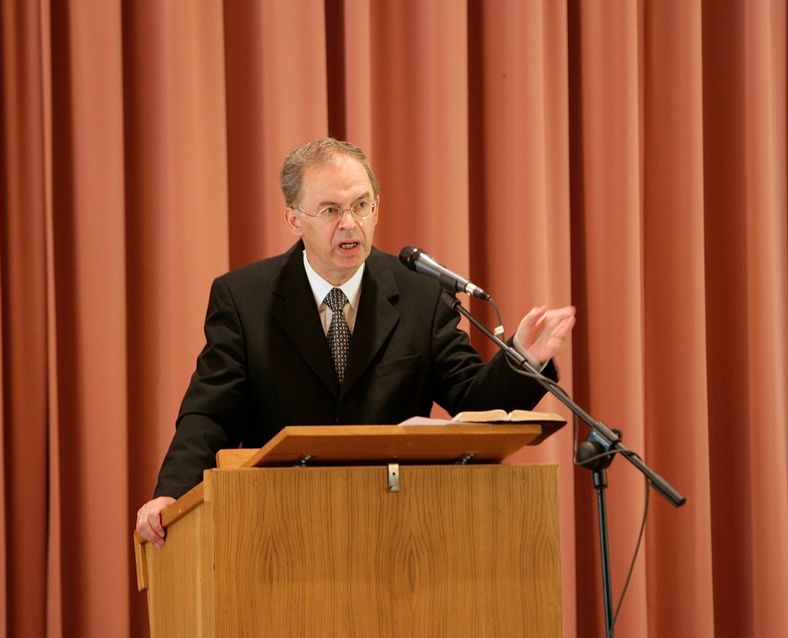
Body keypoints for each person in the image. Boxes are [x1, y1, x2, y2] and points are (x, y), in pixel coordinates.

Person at [135, 138, 576, 547]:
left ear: (376, 209)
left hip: (398, 526)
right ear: (294, 219)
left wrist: (525, 359)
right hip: (278, 528)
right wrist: (171, 493)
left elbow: (470, 398)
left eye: (361, 206)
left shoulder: (420, 295)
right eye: (330, 210)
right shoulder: (244, 298)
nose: (350, 224)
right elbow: (209, 412)